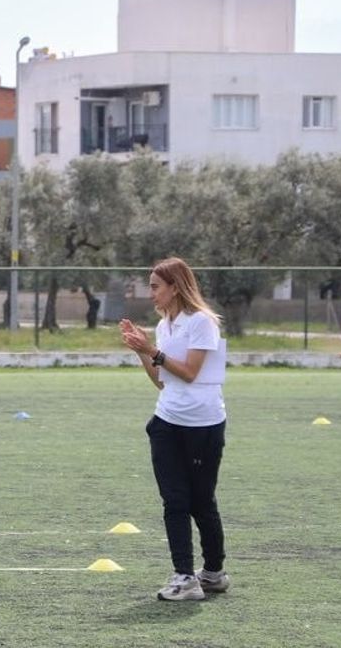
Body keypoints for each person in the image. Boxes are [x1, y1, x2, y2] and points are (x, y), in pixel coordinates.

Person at [120, 257, 230, 601]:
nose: (150, 293)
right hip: (167, 422)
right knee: (175, 501)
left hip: (204, 425)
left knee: (202, 502)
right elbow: (163, 382)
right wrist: (142, 351)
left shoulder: (202, 323)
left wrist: (151, 350)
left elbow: (191, 373)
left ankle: (213, 573)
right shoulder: (164, 325)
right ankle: (184, 576)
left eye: (155, 286)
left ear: (175, 287)